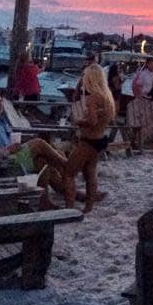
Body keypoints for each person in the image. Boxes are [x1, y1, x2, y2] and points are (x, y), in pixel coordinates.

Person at [64, 63, 116, 213]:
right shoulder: (106, 96)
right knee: (90, 173)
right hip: (100, 139)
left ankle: (69, 208)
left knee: (69, 173)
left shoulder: (92, 98)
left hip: (88, 140)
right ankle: (88, 207)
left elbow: (92, 121)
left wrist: (79, 121)